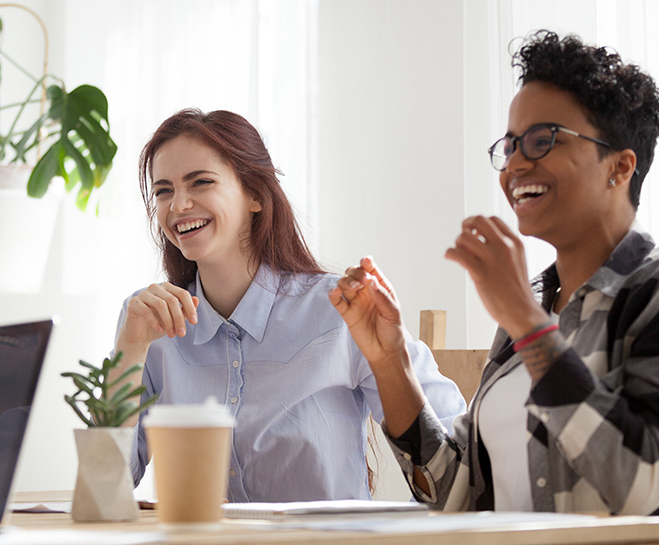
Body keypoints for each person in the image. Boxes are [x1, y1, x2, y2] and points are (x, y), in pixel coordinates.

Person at [330, 30, 659, 520]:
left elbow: (639, 485)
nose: (516, 164)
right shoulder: (533, 302)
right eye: (510, 145)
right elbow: (456, 492)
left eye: (543, 140)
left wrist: (529, 324)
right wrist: (389, 358)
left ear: (620, 167)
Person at [112, 109, 466, 503]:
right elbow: (106, 487)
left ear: (256, 196)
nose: (178, 205)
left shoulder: (342, 311)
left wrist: (392, 357)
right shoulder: (150, 326)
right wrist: (128, 354)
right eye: (163, 190)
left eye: (201, 182)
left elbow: (456, 466)